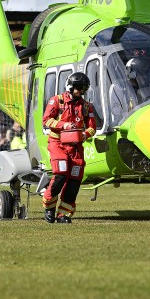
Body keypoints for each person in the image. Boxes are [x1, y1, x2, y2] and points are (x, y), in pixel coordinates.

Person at [41, 72, 98, 224]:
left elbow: (92, 127)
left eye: (84, 89)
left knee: (74, 181)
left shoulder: (86, 106)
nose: (81, 92)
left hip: (76, 148)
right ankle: (49, 206)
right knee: (60, 175)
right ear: (70, 87)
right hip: (58, 144)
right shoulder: (57, 101)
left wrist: (85, 135)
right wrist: (63, 125)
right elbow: (46, 120)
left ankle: (63, 214)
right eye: (79, 88)